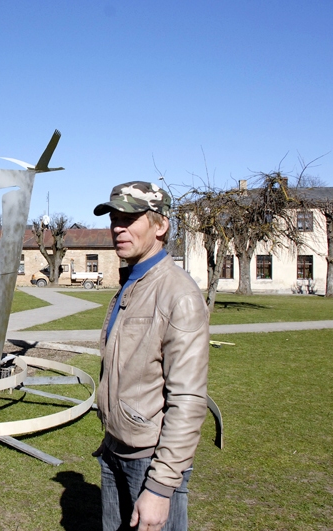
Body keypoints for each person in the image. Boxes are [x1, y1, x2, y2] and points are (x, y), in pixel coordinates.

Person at [92, 181, 209, 531]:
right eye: (114, 218)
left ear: (161, 225)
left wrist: (159, 488)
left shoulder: (178, 295)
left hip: (150, 461)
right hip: (114, 449)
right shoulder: (132, 283)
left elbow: (188, 399)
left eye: (129, 217)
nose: (117, 227)